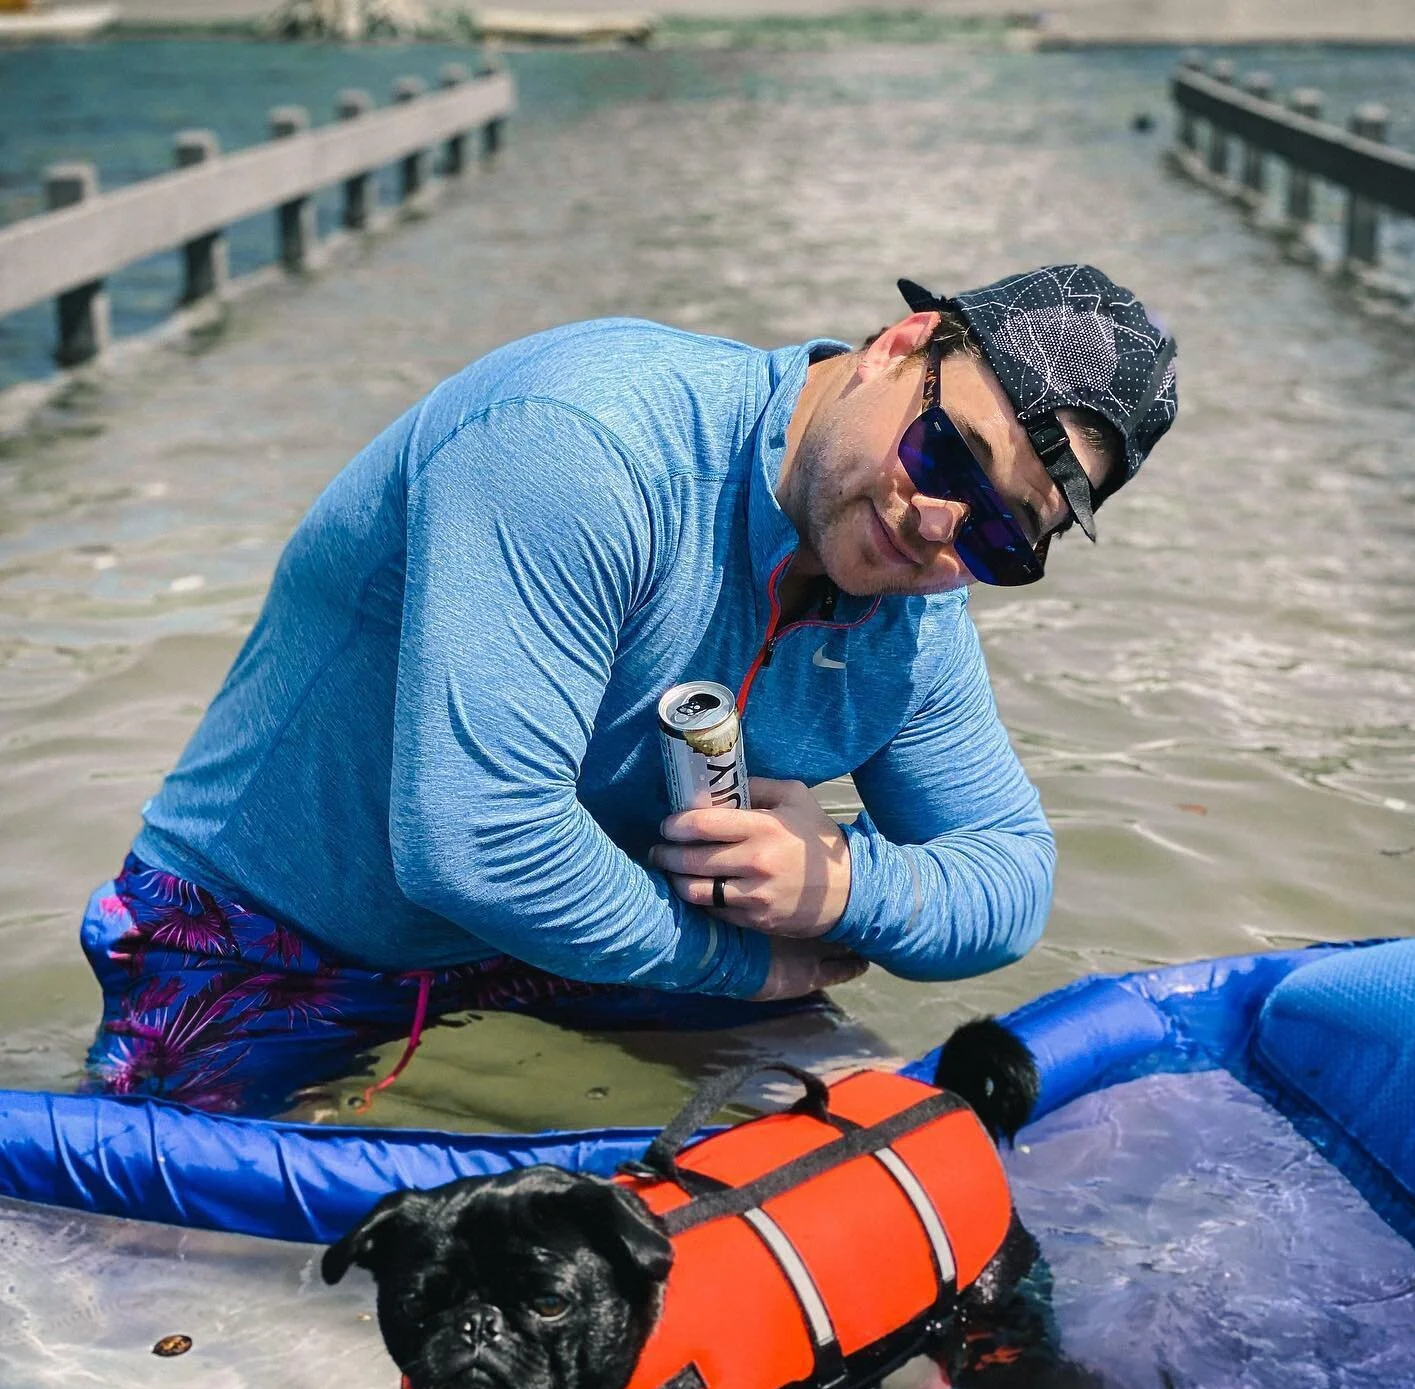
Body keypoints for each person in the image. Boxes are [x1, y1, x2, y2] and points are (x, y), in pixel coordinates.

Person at [80, 265, 1177, 1113]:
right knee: (170, 1322)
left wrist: (837, 887)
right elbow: (478, 843)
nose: (937, 526)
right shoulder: (581, 444)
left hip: (595, 936)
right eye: (943, 456)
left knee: (898, 1184)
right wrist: (746, 962)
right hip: (266, 933)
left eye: (997, 536)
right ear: (898, 346)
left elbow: (1011, 879)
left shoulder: (917, 604)